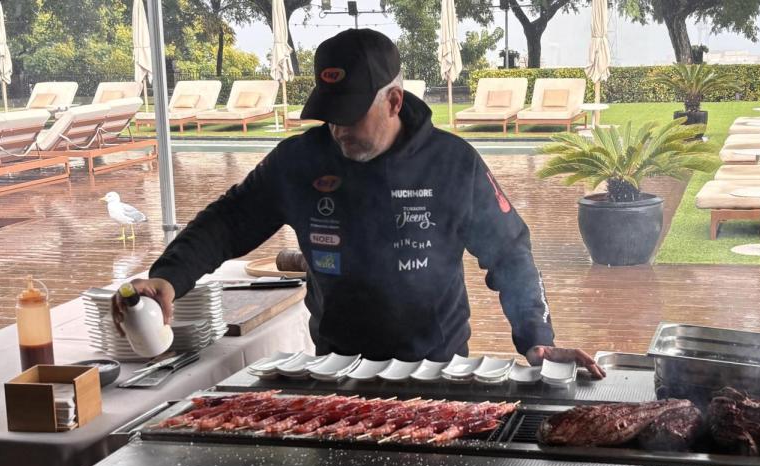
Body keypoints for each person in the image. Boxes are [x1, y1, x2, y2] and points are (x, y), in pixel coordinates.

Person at [114, 28, 605, 379]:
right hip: (335, 367)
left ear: (394, 101)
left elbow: (510, 253)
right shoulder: (300, 161)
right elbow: (228, 220)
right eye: (329, 114)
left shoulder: (453, 164)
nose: (338, 129)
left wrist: (536, 337)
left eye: (351, 114)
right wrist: (168, 275)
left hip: (436, 372)